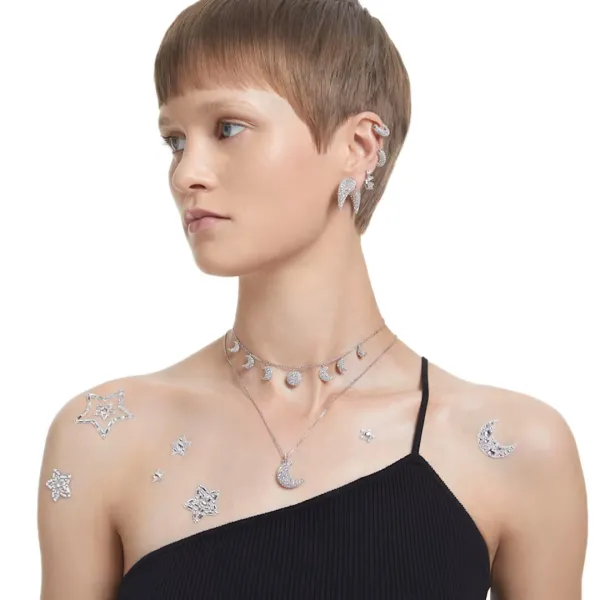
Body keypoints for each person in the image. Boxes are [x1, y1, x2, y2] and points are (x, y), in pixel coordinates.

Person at [37, 0, 588, 598]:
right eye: (175, 140)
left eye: (227, 128)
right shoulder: (104, 437)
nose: (185, 173)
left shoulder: (516, 448)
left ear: (359, 146)